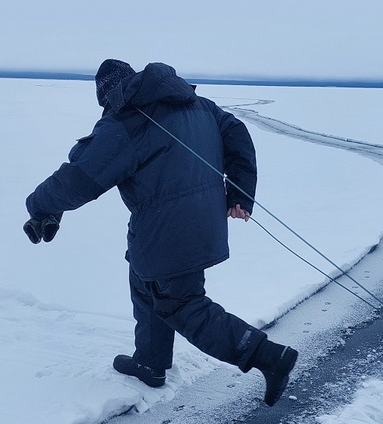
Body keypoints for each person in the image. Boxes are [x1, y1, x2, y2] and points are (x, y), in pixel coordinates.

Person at [23, 59, 298, 406]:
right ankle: (150, 363)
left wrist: (39, 204)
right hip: (192, 221)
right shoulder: (195, 103)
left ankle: (269, 357)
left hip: (170, 229)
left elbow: (80, 178)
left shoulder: (125, 123)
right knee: (144, 279)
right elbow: (236, 133)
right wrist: (240, 192)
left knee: (183, 305)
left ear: (107, 94)